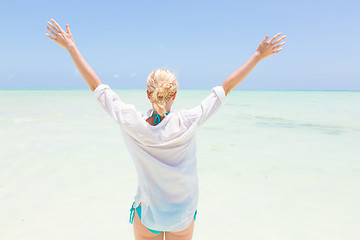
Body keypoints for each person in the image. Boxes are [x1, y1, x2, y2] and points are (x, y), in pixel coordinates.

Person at [46, 18, 286, 240]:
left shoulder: (132, 122)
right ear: (175, 93)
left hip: (149, 214)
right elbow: (226, 88)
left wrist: (71, 48)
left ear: (148, 94)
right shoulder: (188, 121)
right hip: (182, 215)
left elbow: (96, 87)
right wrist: (257, 55)